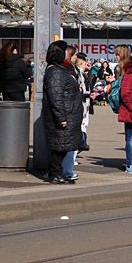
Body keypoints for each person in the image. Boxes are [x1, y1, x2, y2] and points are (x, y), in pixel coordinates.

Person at [41, 42, 84, 184]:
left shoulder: (62, 70)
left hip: (70, 113)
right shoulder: (55, 72)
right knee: (59, 148)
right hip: (64, 115)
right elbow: (56, 96)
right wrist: (61, 117)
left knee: (63, 146)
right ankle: (55, 174)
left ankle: (56, 173)